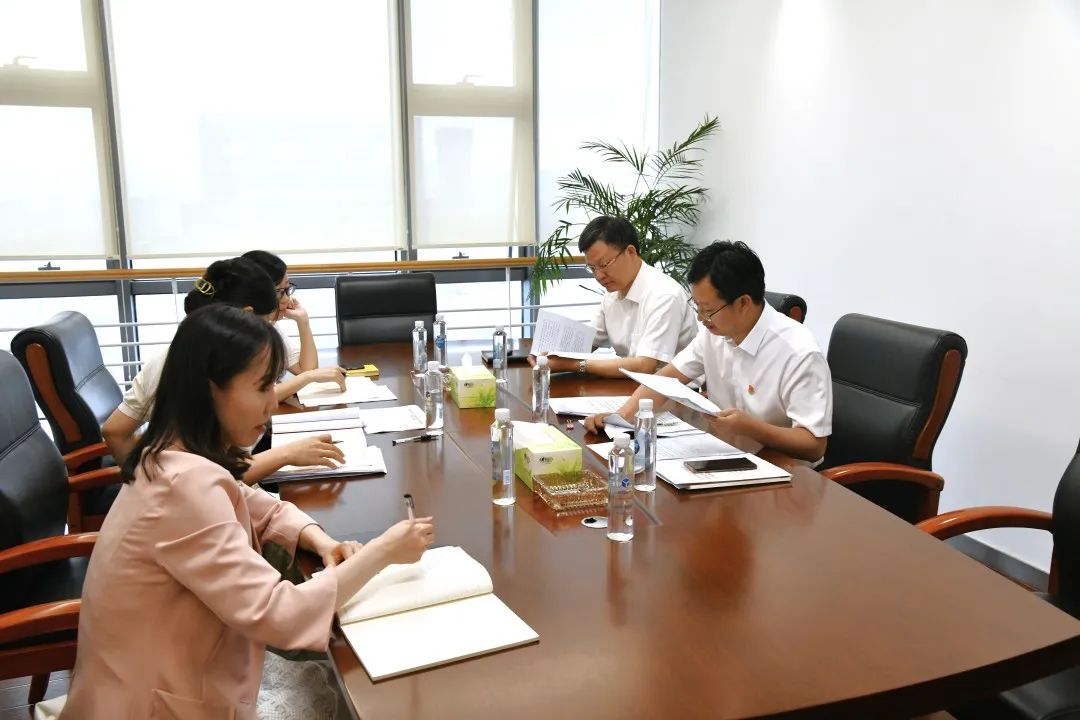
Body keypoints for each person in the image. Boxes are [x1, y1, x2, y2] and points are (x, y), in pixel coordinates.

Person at [58, 304, 435, 719]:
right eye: (262, 388)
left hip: (161, 675)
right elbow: (280, 614)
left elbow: (256, 505)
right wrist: (383, 551)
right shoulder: (183, 487)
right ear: (209, 390)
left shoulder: (169, 456)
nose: (272, 403)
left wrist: (321, 541)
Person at [585, 241, 832, 463]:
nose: (701, 319)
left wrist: (751, 428)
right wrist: (620, 418)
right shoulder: (714, 333)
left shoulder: (799, 352)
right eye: (697, 307)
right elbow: (666, 379)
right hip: (722, 454)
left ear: (743, 303)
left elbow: (814, 446)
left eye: (708, 310)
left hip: (782, 472)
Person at [101, 257, 344, 482]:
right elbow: (215, 478)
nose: (271, 402)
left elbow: (115, 430)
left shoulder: (188, 350)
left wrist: (146, 484)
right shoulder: (202, 367)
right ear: (247, 316)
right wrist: (147, 483)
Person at [533, 216, 697, 377]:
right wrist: (549, 355)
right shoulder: (613, 293)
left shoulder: (663, 295)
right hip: (631, 384)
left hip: (674, 390)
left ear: (630, 252)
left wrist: (575, 365)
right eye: (592, 268)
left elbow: (645, 365)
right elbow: (587, 341)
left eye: (604, 264)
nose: (598, 276)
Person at [242, 249, 346, 397]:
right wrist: (308, 377)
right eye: (279, 291)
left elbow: (306, 368)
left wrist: (303, 321)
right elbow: (261, 396)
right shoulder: (240, 335)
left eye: (287, 289)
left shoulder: (270, 326)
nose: (286, 299)